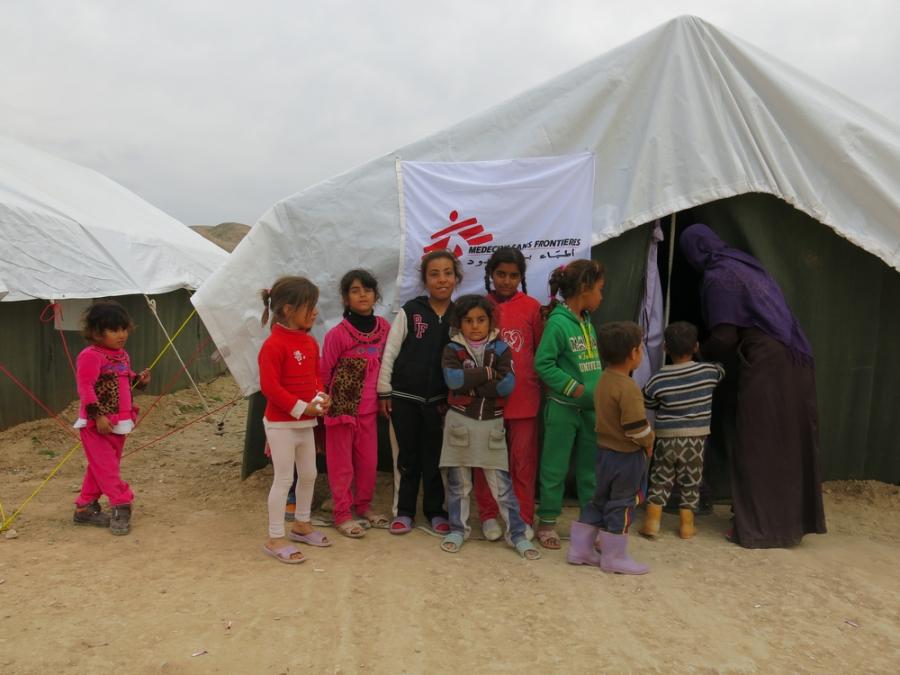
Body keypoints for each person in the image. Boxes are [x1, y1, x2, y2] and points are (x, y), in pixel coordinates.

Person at [680, 223, 826, 548]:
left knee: (755, 441)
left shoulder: (718, 277)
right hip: (796, 359)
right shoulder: (744, 264)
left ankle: (759, 527)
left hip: (769, 364)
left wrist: (693, 354)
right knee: (786, 441)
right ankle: (788, 523)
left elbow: (725, 336)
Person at [438, 295, 541, 560]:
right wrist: (487, 374)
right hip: (459, 422)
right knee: (459, 485)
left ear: (490, 321)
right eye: (468, 320)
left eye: (481, 320)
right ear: (459, 323)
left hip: (492, 425)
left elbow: (507, 386)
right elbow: (452, 380)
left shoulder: (502, 349)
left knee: (503, 487)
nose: (475, 326)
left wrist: (470, 384)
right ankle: (458, 530)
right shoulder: (452, 348)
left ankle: (517, 534)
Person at [377, 250, 460, 535]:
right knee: (406, 458)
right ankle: (404, 511)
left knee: (437, 459)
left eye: (448, 273)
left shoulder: (460, 316)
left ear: (456, 278)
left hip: (441, 402)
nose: (442, 279)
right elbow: (390, 351)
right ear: (424, 280)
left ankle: (437, 511)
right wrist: (384, 391)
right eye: (434, 274)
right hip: (404, 399)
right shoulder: (411, 311)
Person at [568, 321, 654, 574]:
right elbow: (636, 427)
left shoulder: (602, 380)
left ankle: (580, 549)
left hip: (603, 453)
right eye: (640, 348)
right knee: (623, 503)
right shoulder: (628, 388)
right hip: (627, 457)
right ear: (632, 354)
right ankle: (614, 556)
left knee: (598, 500)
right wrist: (649, 440)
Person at [258, 276, 332, 564]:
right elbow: (271, 387)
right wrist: (303, 407)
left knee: (310, 474)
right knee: (284, 478)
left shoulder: (310, 341)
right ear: (289, 310)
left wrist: (321, 397)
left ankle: (301, 524)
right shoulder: (273, 345)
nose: (315, 312)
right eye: (310, 306)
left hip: (305, 422)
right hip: (280, 424)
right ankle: (275, 537)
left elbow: (316, 376)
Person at [533, 259, 605, 549]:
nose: (602, 296)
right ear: (584, 289)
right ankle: (547, 522)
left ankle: (590, 525)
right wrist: (574, 388)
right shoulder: (558, 323)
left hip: (592, 411)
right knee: (555, 467)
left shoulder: (587, 321)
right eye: (600, 290)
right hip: (562, 409)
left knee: (590, 470)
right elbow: (543, 363)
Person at [472, 246, 543, 541]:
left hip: (524, 400)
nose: (506, 281)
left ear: (521, 277)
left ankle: (522, 518)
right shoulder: (477, 307)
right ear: (491, 274)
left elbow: (540, 353)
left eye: (513, 276)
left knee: (522, 463)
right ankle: (488, 515)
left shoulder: (532, 308)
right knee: (485, 459)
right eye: (501, 274)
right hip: (486, 401)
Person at [320, 269, 391, 538]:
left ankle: (363, 506)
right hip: (341, 410)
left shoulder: (384, 328)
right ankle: (342, 513)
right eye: (355, 290)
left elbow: (388, 364)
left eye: (368, 289)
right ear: (345, 298)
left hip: (370, 410)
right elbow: (325, 373)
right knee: (341, 465)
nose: (363, 295)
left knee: (368, 462)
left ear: (375, 294)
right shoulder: (338, 335)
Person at [640, 321, 724, 539]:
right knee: (691, 482)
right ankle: (686, 527)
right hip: (696, 441)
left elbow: (647, 401)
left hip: (667, 439)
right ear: (696, 346)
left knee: (660, 478)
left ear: (665, 348)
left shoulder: (659, 378)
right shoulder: (708, 372)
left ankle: (652, 522)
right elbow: (721, 371)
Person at [72, 300, 150, 535]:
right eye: (114, 330)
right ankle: (121, 503)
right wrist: (98, 417)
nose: (121, 335)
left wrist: (139, 380)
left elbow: (122, 379)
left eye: (124, 329)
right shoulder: (90, 356)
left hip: (120, 422)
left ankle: (85, 508)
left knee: (103, 466)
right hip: (98, 424)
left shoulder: (122, 355)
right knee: (107, 467)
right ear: (97, 332)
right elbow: (85, 387)